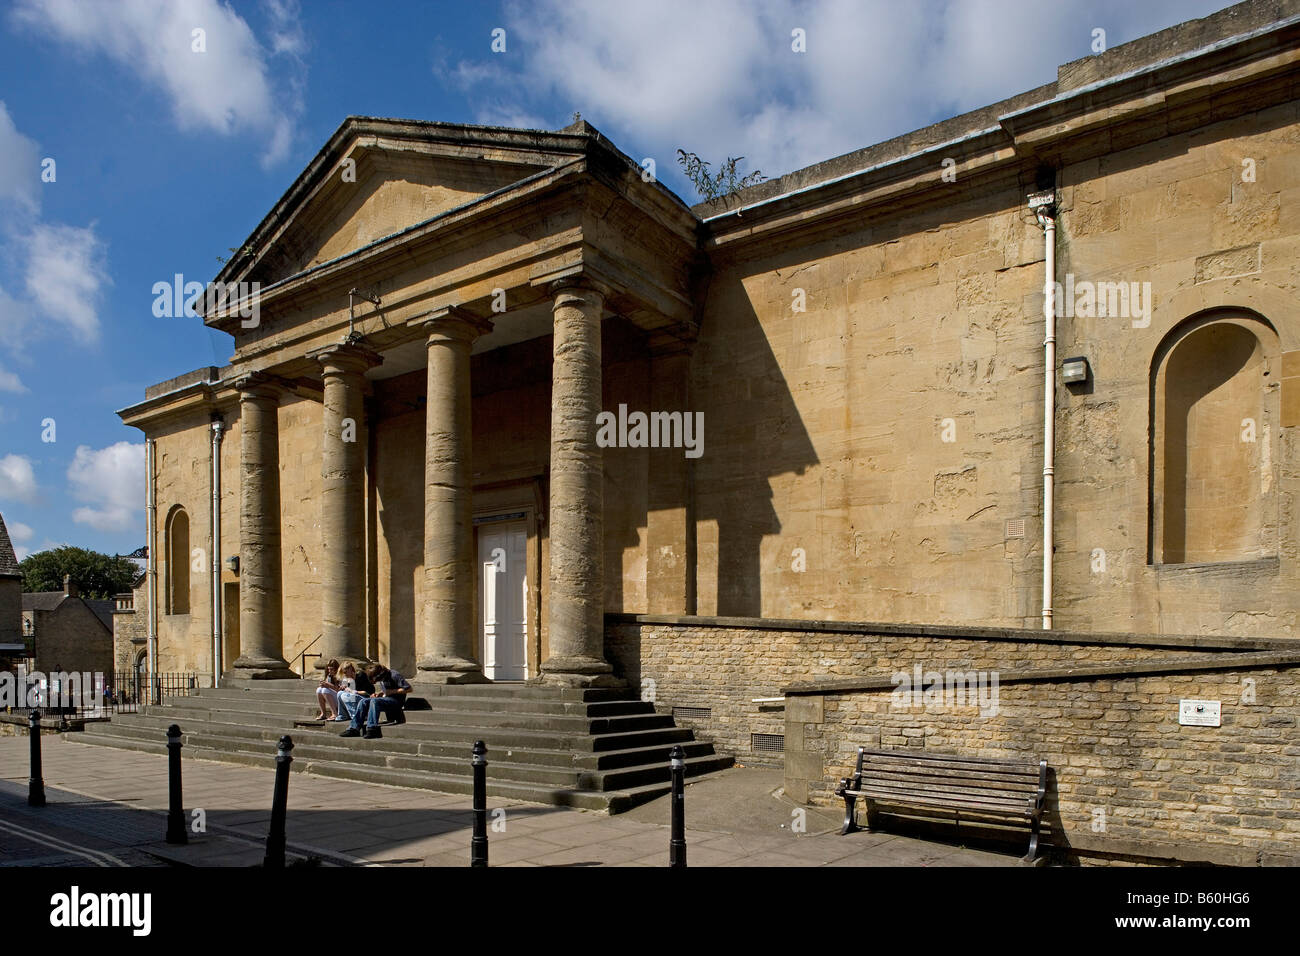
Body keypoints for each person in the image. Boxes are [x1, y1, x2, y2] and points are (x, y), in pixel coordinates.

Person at [340, 664, 411, 739]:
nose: (375, 682)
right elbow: (386, 691)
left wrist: (392, 691)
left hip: (396, 702)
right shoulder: (382, 678)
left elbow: (409, 689)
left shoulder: (394, 675)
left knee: (374, 701)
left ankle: (372, 728)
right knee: (364, 701)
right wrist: (379, 694)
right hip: (386, 699)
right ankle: (354, 728)